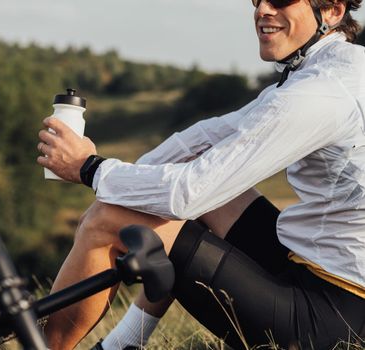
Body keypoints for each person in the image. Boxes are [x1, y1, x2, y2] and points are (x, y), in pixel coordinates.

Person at [36, 0, 365, 348]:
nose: (263, 10)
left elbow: (188, 193)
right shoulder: (335, 69)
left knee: (108, 219)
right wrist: (122, 183)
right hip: (319, 273)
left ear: (332, 11)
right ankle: (124, 345)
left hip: (331, 319)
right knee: (146, 198)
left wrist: (92, 170)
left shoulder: (322, 92)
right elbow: (208, 137)